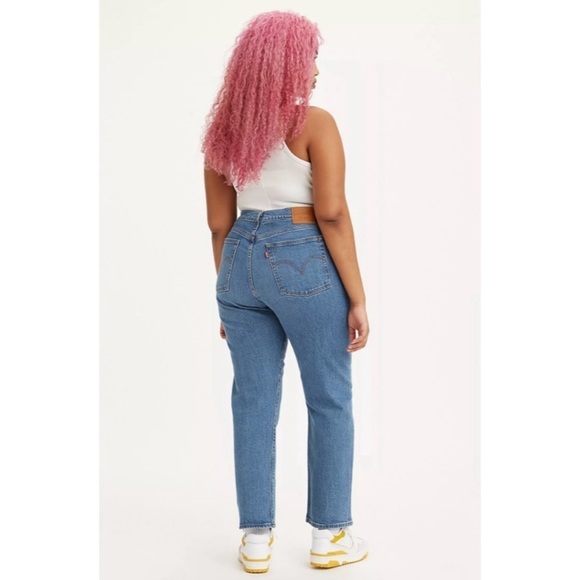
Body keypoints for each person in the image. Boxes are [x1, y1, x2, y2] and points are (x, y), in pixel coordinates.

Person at [201, 10, 369, 573]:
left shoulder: (222, 134)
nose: (316, 69)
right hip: (302, 258)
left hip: (238, 263)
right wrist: (357, 297)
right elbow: (332, 213)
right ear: (286, 63)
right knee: (329, 398)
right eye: (309, 57)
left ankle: (255, 540)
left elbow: (218, 224)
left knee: (252, 403)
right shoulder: (315, 122)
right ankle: (330, 536)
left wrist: (230, 290)